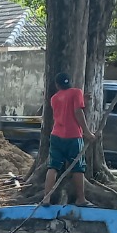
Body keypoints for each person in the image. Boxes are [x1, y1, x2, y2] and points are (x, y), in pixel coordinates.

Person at [42, 71, 90, 206]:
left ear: (57, 85)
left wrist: (82, 101)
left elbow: (65, 108)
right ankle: (80, 199)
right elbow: (77, 111)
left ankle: (46, 198)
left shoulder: (54, 98)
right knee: (78, 167)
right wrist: (87, 132)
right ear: (70, 81)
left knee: (53, 167)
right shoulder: (76, 92)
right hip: (73, 136)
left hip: (56, 135)